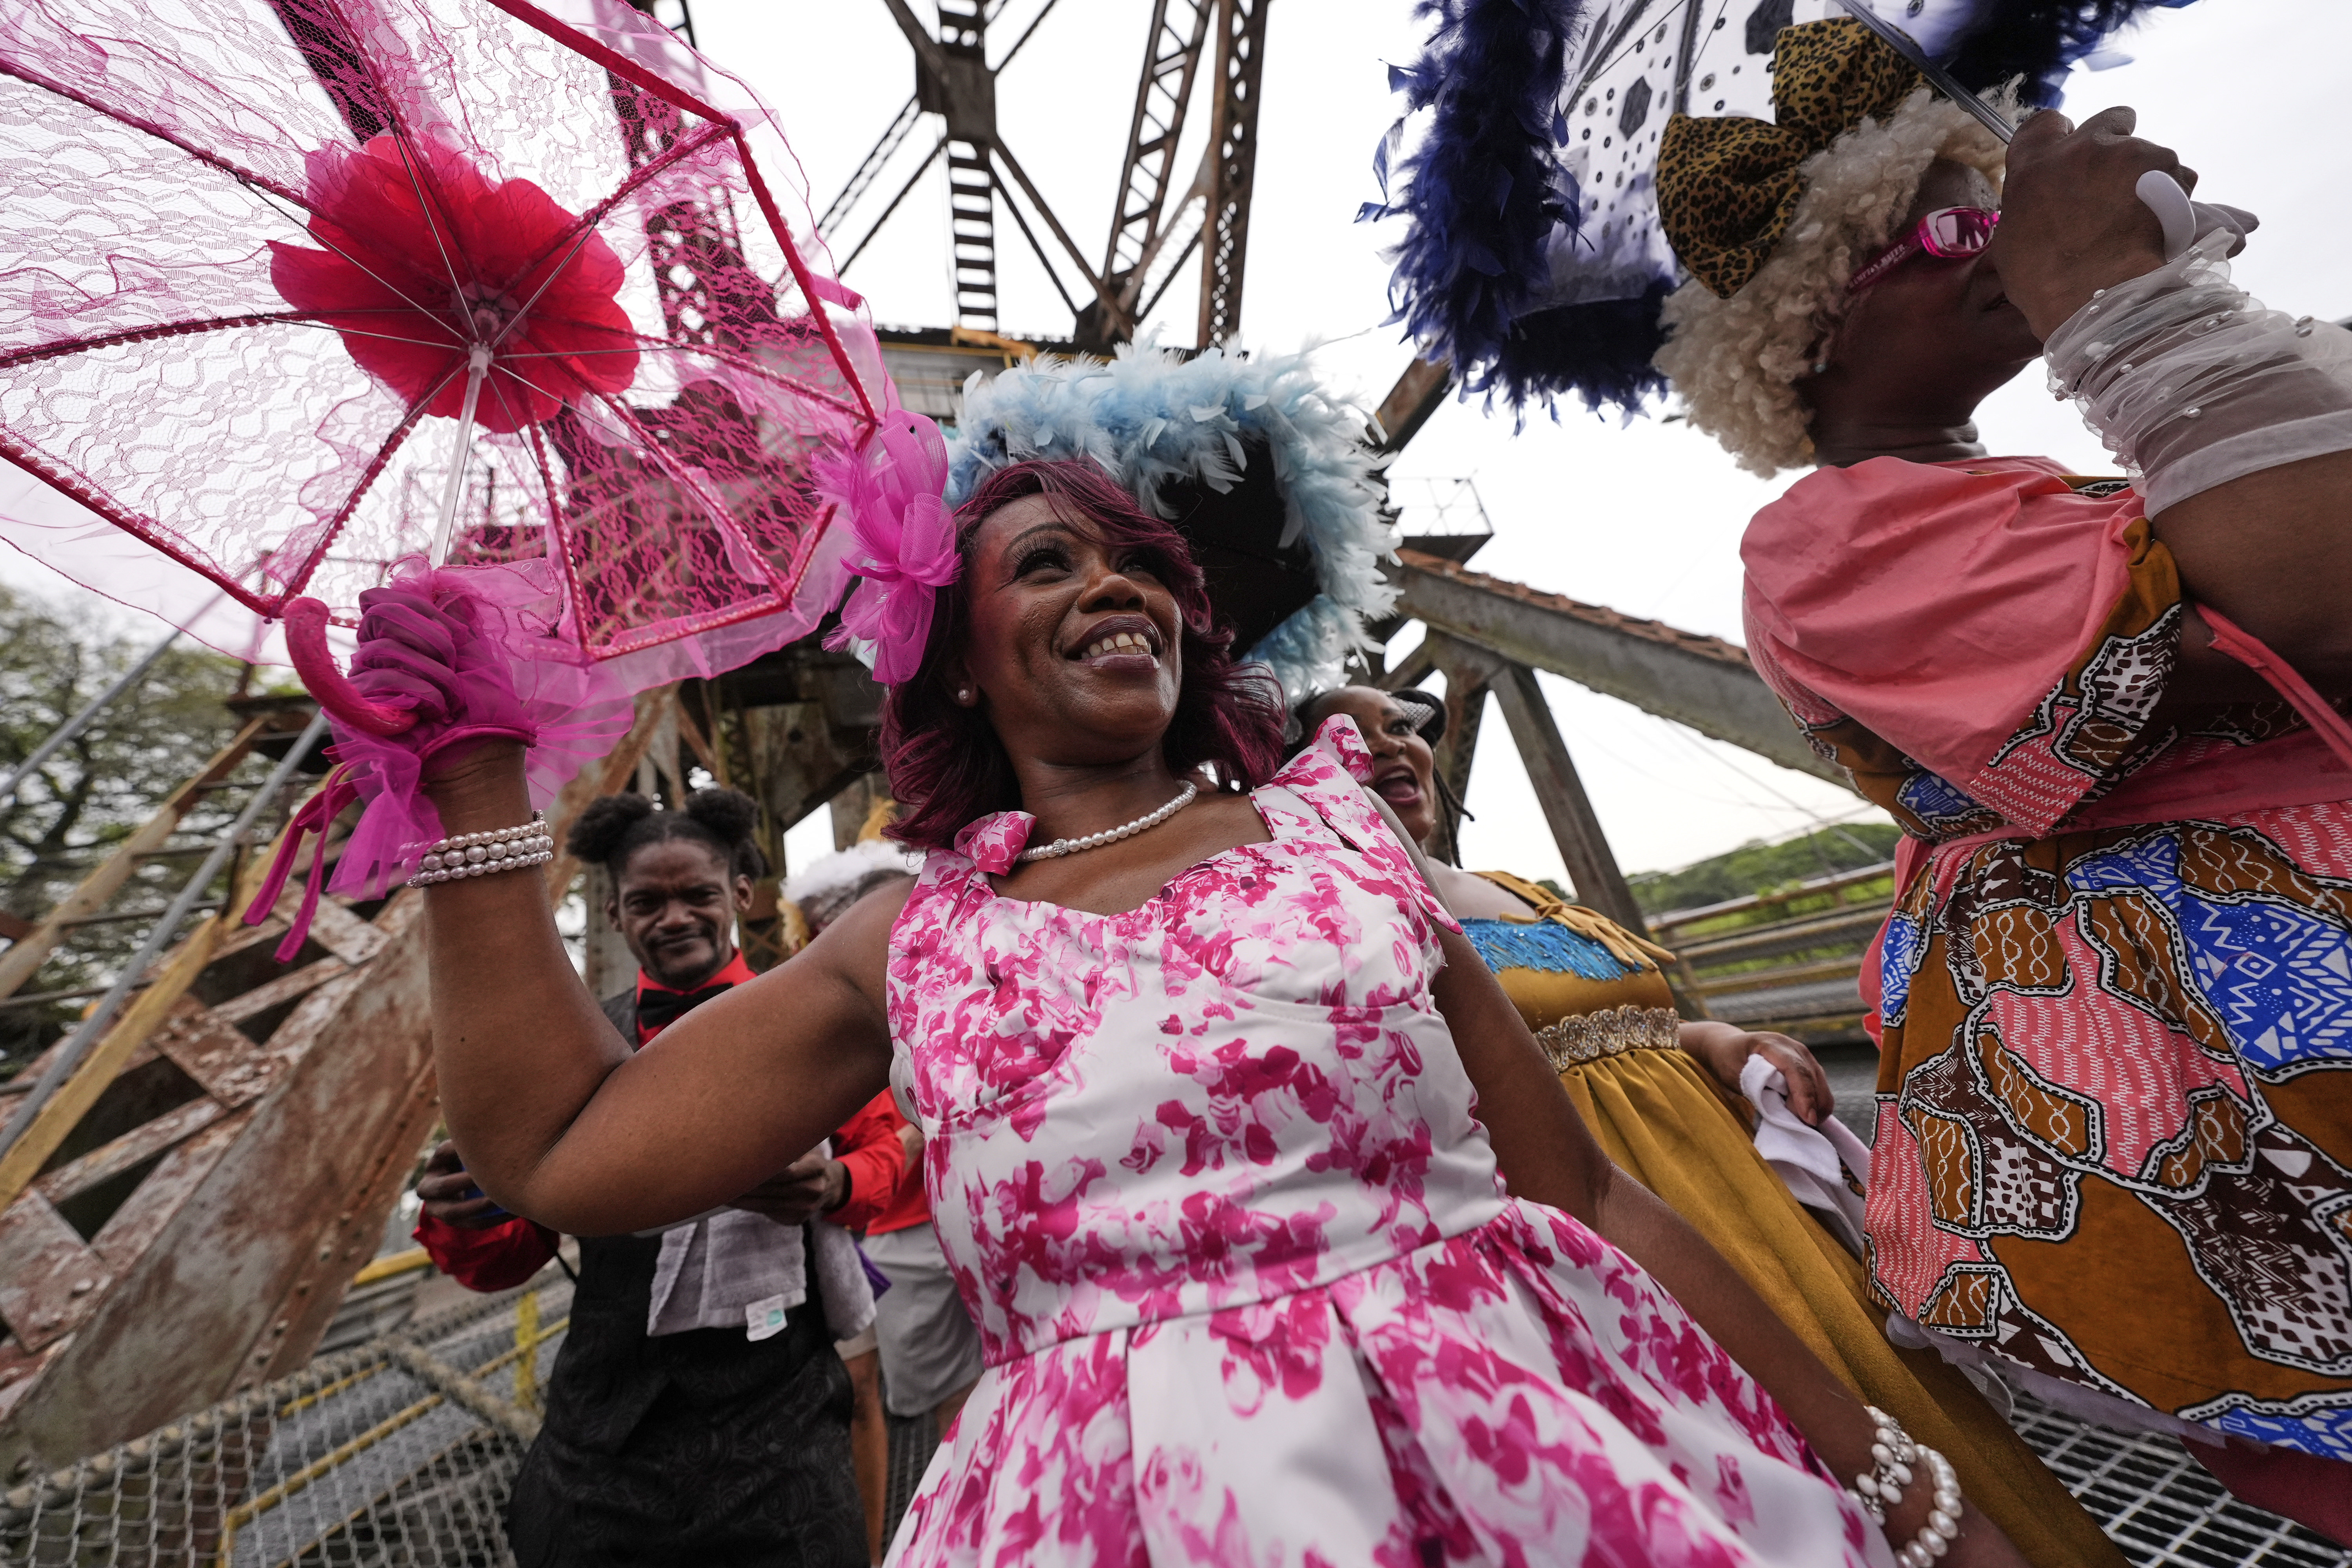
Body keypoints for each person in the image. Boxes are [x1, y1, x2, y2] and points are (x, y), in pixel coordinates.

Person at [363, 451, 2030, 1566]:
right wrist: (473, 780)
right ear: (955, 658)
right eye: (1045, 564)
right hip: (1116, 1514)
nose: (1114, 588)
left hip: (1530, 1455)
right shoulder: (905, 942)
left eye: (1134, 562)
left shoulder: (1339, 838)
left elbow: (1583, 1195)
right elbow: (563, 1147)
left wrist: (1891, 1473)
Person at [1642, 16, 2352, 1535]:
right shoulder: (1832, 543)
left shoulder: (2050, 488)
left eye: (1989, 201)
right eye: (1946, 224)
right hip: (2226, 1074)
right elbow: (2313, 588)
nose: (1995, 239)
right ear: (1813, 330)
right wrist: (2133, 301)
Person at [1299, 683, 2126, 1566]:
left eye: (1402, 727)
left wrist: (1720, 1038)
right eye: (1348, 736)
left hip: (1742, 1196)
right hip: (1620, 1235)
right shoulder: (1340, 934)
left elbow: (1617, 1028)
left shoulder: (1510, 889)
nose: (1388, 748)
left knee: (1901, 1415)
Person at [412, 787, 889, 1568]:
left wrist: (836, 1186)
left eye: (697, 894)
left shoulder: (816, 1021)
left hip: (781, 1427)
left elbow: (897, 1155)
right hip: (606, 1434)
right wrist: (467, 1209)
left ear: (740, 892)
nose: (674, 918)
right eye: (647, 901)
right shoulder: (573, 1051)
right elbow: (509, 1251)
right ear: (614, 915)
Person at [784, 842, 986, 1447]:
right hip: (890, 1230)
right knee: (938, 1396)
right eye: (824, 923)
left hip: (968, 1208)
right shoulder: (818, 1023)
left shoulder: (953, 985)